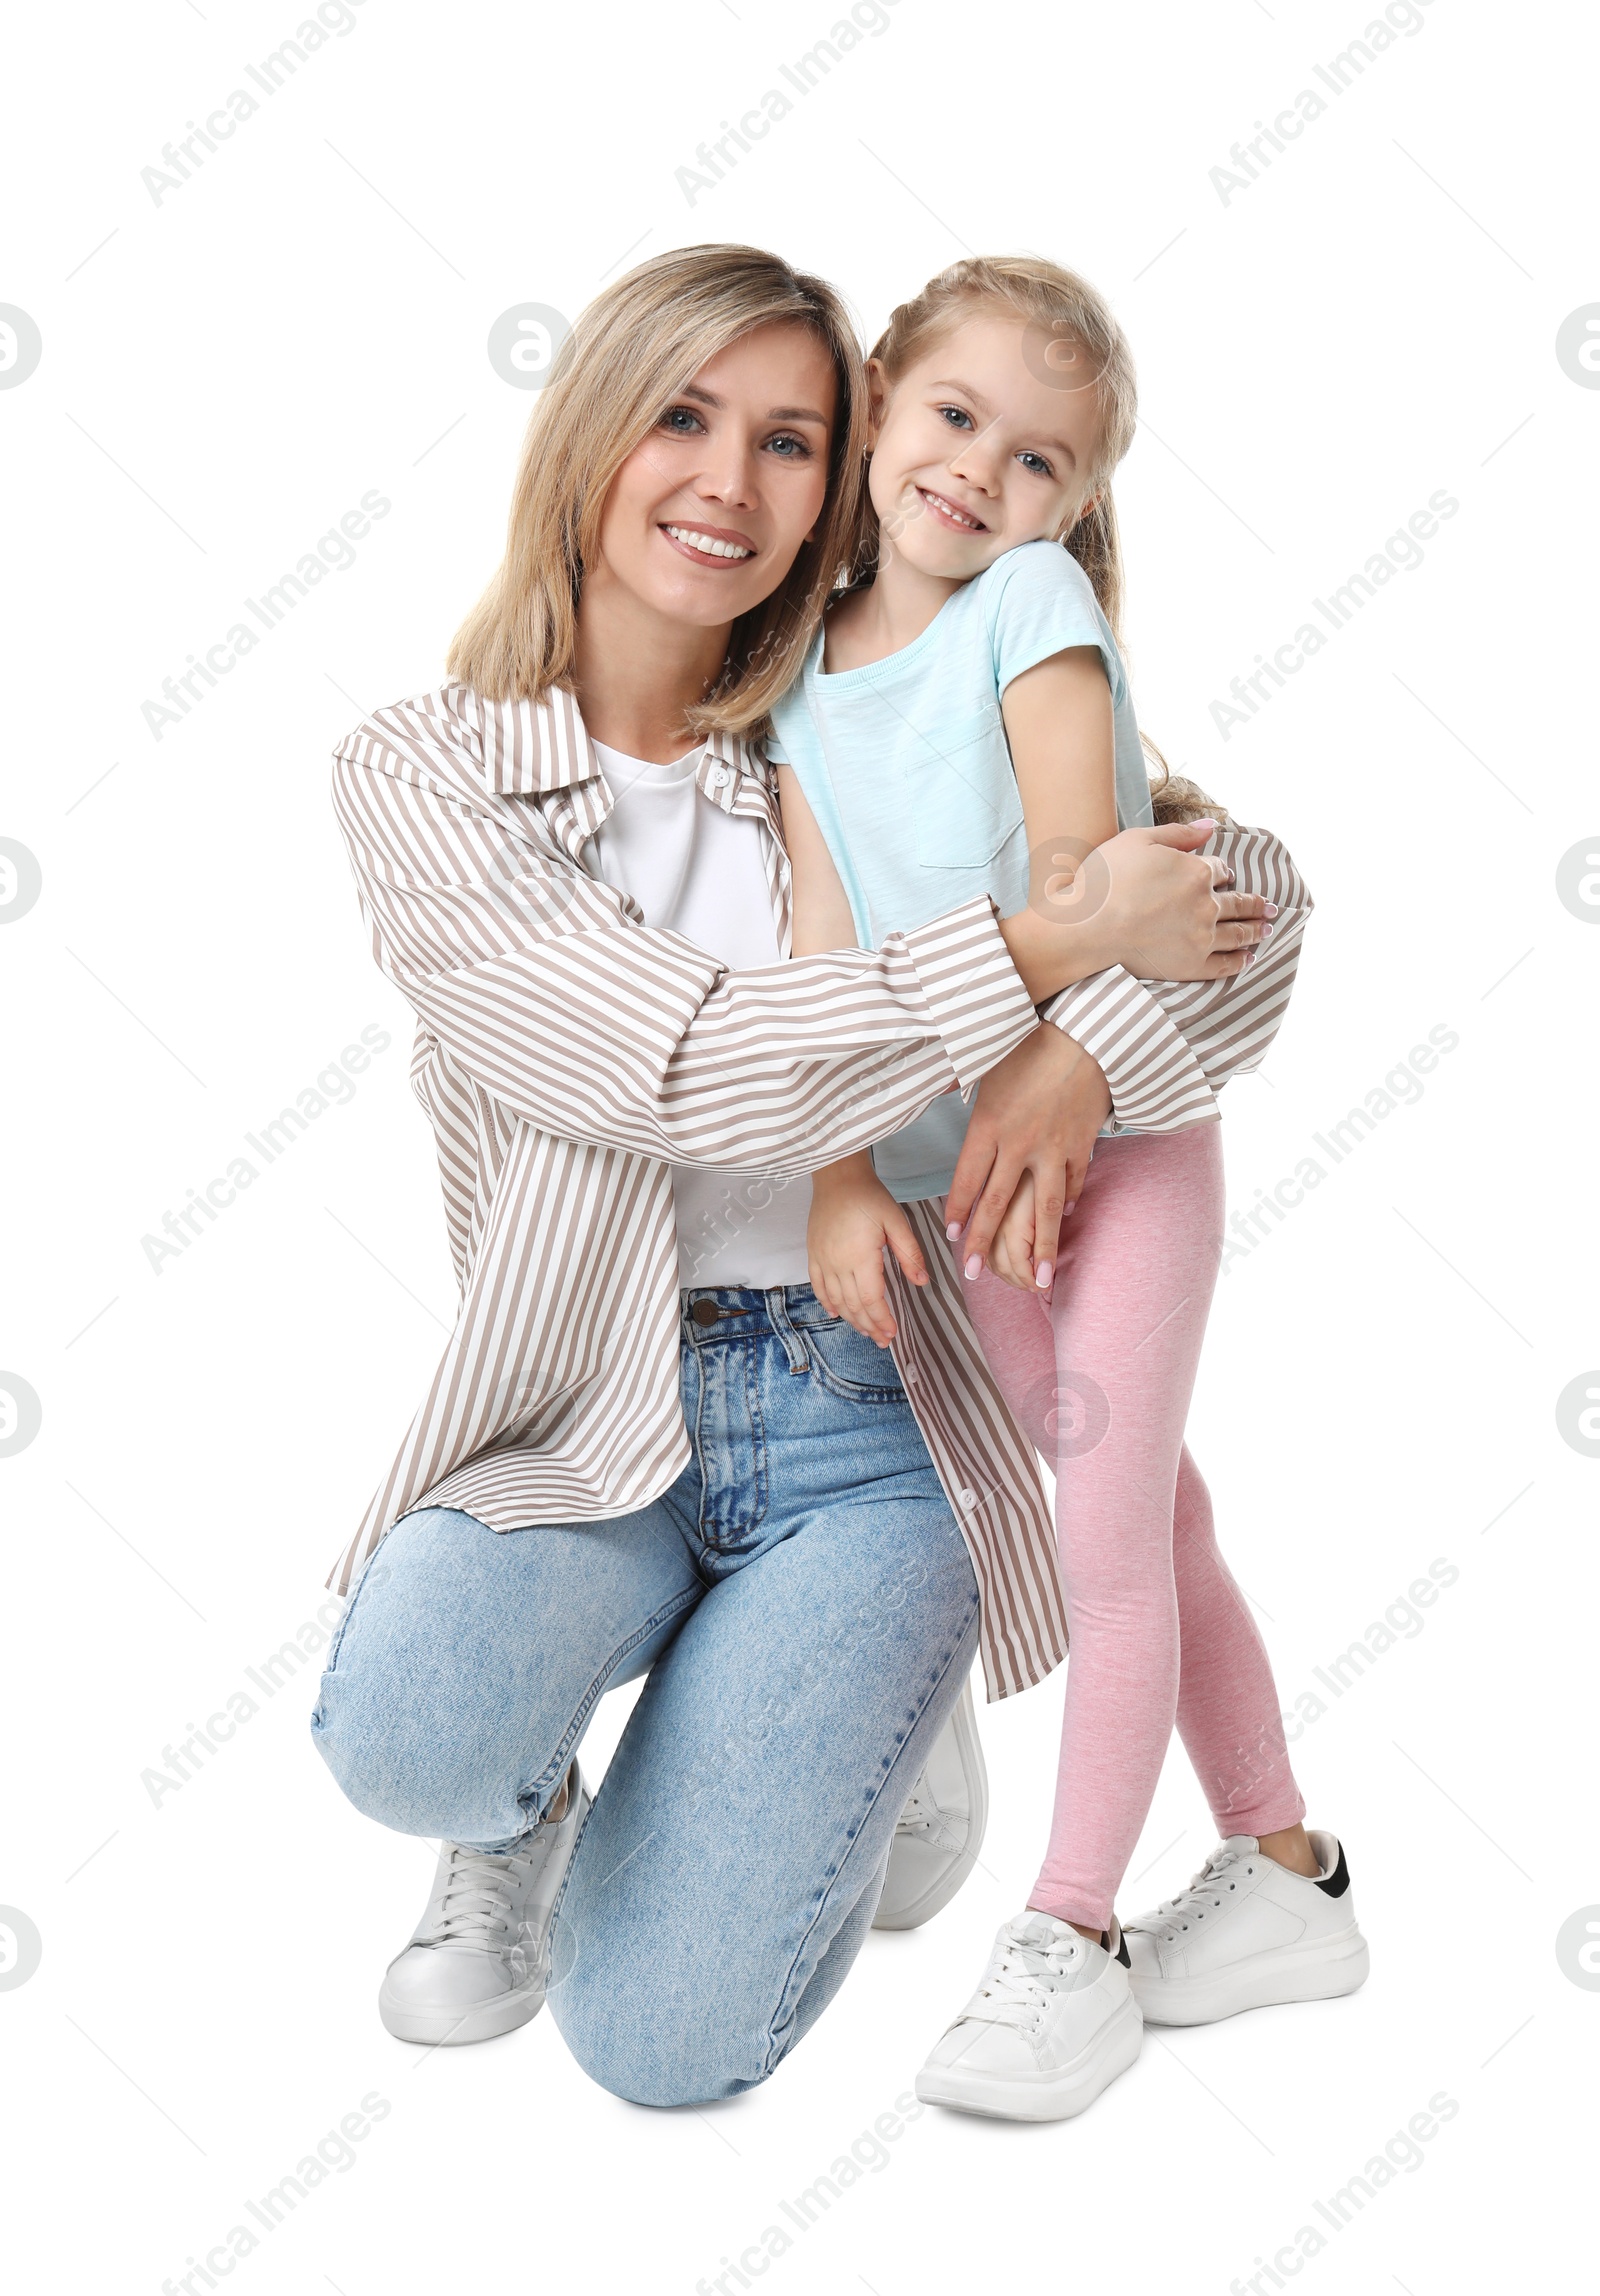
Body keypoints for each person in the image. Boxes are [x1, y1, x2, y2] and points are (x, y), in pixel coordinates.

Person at [308, 244, 1277, 2106]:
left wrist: (1080, 1048)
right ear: (586, 438)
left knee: (662, 2053)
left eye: (788, 440)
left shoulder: (855, 712)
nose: (726, 484)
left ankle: (860, 1707)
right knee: (415, 1734)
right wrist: (1041, 961)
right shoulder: (426, 779)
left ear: (841, 482)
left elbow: (1252, 904)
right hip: (602, 1402)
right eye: (680, 418)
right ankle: (532, 1802)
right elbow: (668, 1058)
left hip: (888, 1403)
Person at [769, 254, 1367, 2125]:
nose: (979, 475)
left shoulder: (1026, 601)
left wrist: (1056, 1041)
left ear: (1070, 508)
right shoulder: (792, 688)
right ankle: (1284, 1875)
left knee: (1104, 1550)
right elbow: (813, 955)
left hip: (1113, 1151)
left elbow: (1080, 861)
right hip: (965, 1203)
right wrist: (839, 1173)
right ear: (881, 396)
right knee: (1156, 1524)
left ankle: (1071, 1930)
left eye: (1038, 461)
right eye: (953, 418)